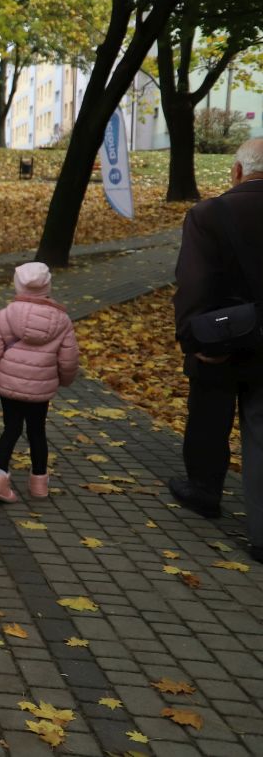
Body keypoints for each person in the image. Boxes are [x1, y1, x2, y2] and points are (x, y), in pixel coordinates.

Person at [169, 138, 263, 562]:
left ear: (238, 171)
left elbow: (193, 283)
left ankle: (204, 492)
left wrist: (192, 338)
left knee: (208, 416)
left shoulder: (209, 213)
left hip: (220, 339)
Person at [0, 262, 79, 502]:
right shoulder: (62, 320)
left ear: (17, 285)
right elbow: (69, 359)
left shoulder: (6, 314)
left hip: (9, 386)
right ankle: (39, 483)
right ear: (47, 286)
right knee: (37, 431)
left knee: (11, 429)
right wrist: (63, 380)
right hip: (41, 387)